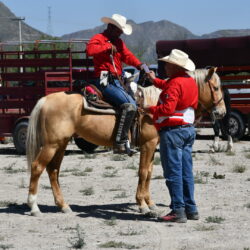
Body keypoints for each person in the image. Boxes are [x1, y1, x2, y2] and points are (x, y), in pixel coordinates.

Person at [142, 49, 199, 223]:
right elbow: (168, 86)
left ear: (174, 66)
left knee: (173, 172)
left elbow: (167, 109)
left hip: (173, 132)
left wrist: (149, 108)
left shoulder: (174, 84)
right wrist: (154, 81)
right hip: (188, 130)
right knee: (186, 171)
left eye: (167, 64)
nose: (165, 66)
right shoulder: (189, 81)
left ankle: (177, 210)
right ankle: (191, 208)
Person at [86, 14, 142, 156]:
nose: (120, 33)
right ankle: (119, 142)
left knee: (136, 102)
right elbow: (90, 50)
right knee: (130, 105)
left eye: (121, 31)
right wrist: (106, 47)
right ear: (111, 27)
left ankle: (129, 138)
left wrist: (140, 65)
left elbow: (128, 56)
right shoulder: (98, 38)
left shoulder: (119, 42)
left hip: (117, 80)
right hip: (104, 80)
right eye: (119, 31)